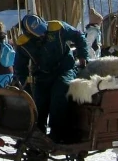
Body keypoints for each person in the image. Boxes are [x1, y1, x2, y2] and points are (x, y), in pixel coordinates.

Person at [15, 14, 90, 142]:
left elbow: (78, 36)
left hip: (65, 69)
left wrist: (83, 55)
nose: (43, 34)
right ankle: (38, 135)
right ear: (29, 34)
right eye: (39, 34)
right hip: (42, 74)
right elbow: (20, 68)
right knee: (38, 104)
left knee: (59, 93)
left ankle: (58, 133)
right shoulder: (23, 43)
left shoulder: (57, 27)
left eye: (43, 31)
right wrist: (25, 86)